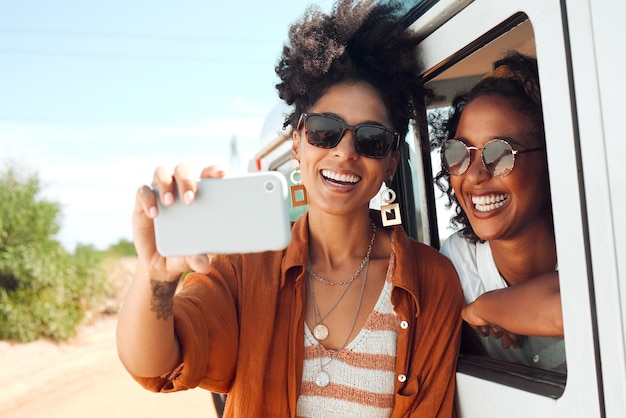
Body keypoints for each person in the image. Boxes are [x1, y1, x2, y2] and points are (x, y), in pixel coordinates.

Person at [116, 1, 464, 417]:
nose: (345, 152)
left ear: (390, 161)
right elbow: (155, 367)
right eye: (324, 132)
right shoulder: (246, 269)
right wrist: (155, 276)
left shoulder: (432, 282)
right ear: (297, 142)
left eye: (370, 140)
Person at [431, 51, 565, 373]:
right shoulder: (457, 265)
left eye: (501, 153)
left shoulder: (600, 239)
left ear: (552, 158)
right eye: (458, 153)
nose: (475, 175)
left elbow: (582, 306)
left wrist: (486, 307)